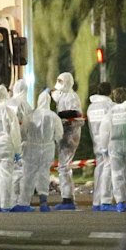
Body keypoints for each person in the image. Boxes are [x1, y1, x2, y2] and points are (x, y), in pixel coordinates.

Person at [12, 90, 63, 212]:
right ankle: (43, 202)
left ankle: (24, 202)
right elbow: (59, 135)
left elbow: (23, 132)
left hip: (31, 147)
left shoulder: (30, 115)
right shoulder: (54, 117)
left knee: (28, 175)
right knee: (44, 174)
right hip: (47, 148)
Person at [51, 72, 85, 210]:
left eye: (61, 81)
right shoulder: (62, 95)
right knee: (64, 165)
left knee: (64, 166)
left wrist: (58, 116)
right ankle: (68, 197)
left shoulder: (72, 97)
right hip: (64, 133)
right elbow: (54, 95)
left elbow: (75, 113)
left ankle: (67, 199)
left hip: (71, 134)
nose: (59, 83)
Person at [87, 82, 116, 211]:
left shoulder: (91, 107)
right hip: (109, 142)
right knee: (107, 171)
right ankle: (106, 201)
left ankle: (96, 202)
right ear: (110, 92)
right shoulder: (110, 106)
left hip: (96, 141)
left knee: (99, 170)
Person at [7, 79, 33, 206]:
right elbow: (28, 125)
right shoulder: (25, 104)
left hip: (6, 141)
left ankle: (5, 201)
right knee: (19, 172)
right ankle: (16, 202)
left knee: (7, 172)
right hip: (20, 142)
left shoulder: (8, 102)